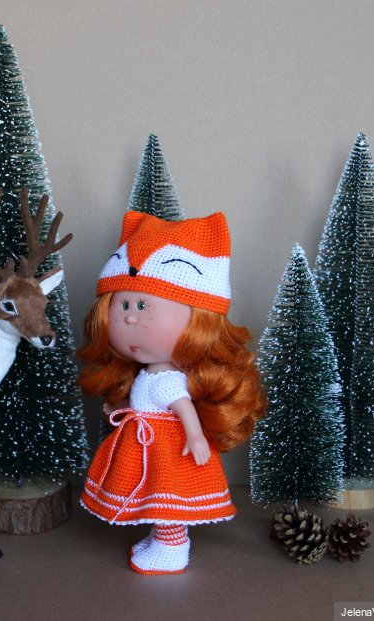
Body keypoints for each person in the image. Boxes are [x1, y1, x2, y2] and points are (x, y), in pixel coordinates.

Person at [78, 210, 266, 574]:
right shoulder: (148, 373)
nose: (130, 317)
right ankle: (159, 539)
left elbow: (182, 407)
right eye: (124, 305)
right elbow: (143, 398)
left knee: (166, 499)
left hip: (166, 448)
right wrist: (118, 405)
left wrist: (195, 437)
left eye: (143, 305)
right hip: (147, 442)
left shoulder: (167, 379)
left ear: (199, 323)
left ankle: (172, 547)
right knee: (153, 498)